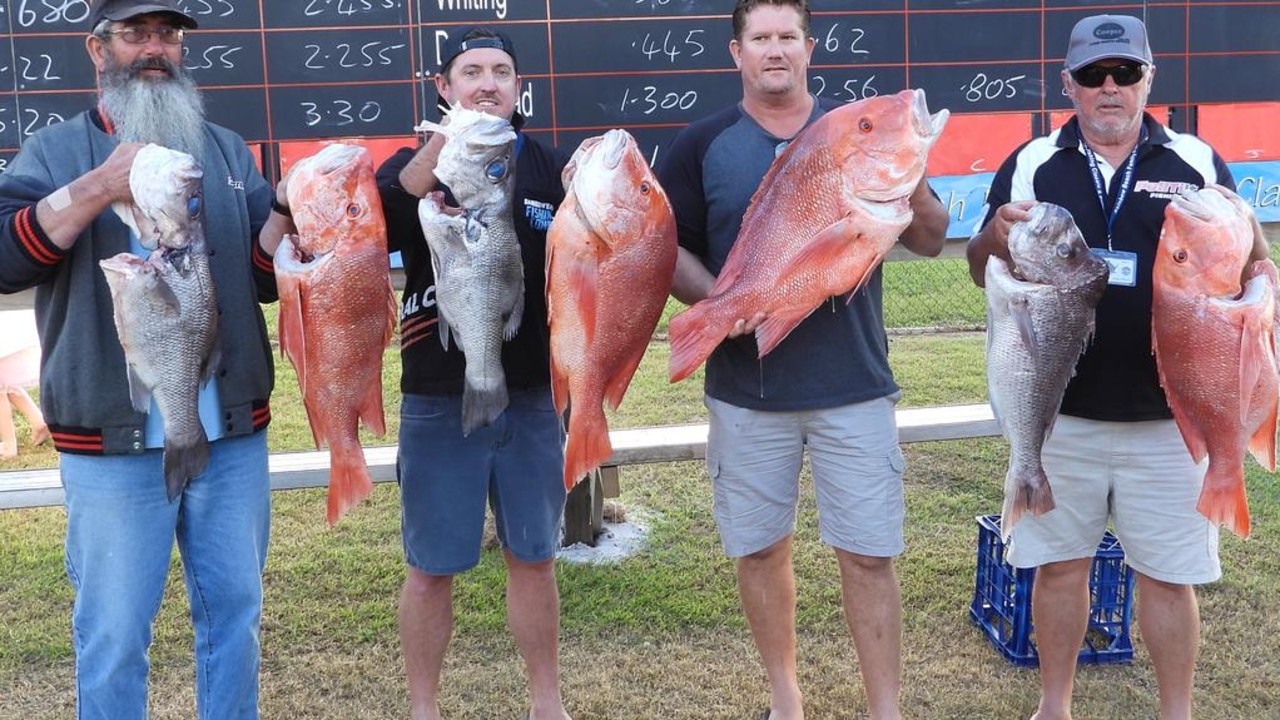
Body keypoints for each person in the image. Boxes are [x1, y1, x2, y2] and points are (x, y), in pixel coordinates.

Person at [966, 14, 1268, 720]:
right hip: (1058, 414)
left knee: (1169, 577)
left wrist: (1260, 276)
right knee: (1059, 567)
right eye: (1095, 75)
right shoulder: (1035, 159)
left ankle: (1177, 711)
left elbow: (1248, 260)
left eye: (1125, 73)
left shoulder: (1194, 161)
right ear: (1068, 83)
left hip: (1170, 418)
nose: (1110, 88)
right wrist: (991, 234)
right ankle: (1055, 705)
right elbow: (984, 270)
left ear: (1148, 80)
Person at [0, 0, 294, 717]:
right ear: (98, 51)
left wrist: (288, 209)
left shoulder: (224, 149)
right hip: (111, 440)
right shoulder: (54, 150)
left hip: (229, 437)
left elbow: (261, 278)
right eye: (135, 34)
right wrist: (101, 184)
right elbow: (6, 260)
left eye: (168, 34)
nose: (154, 48)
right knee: (115, 634)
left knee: (235, 624)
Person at [656, 2, 948, 718]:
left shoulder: (854, 134)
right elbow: (668, 252)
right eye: (761, 38)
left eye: (788, 36)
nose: (775, 49)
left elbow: (934, 238)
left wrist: (907, 166)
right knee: (759, 550)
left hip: (854, 384)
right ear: (737, 53)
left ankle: (886, 710)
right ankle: (786, 701)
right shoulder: (702, 144)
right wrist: (726, 306)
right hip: (745, 389)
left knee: (870, 553)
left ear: (809, 47)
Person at [375, 27, 574, 720]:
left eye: (501, 71)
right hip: (437, 392)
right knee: (431, 567)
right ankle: (424, 708)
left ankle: (547, 703)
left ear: (520, 85)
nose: (488, 83)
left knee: (534, 556)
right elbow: (393, 209)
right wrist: (448, 141)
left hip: (531, 393)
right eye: (471, 71)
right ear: (444, 87)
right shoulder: (415, 164)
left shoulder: (549, 164)